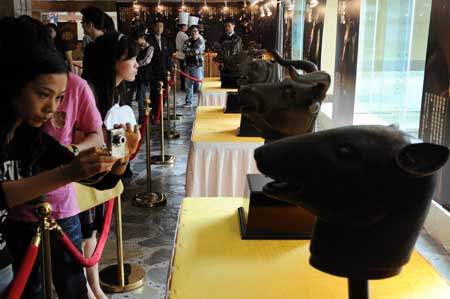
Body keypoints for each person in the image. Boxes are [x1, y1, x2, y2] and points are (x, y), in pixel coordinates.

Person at [0, 16, 139, 298]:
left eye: (59, 98)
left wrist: (120, 160)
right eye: (43, 95)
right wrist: (67, 174)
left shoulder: (32, 134)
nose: (51, 109)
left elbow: (84, 174)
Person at [81, 31, 139, 299]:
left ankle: (93, 285)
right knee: (84, 231)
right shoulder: (88, 92)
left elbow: (117, 147)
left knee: (93, 229)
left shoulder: (115, 92)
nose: (137, 64)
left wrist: (125, 149)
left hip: (104, 173)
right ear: (114, 61)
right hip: (84, 177)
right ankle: (87, 286)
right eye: (132, 58)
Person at [147, 20, 173, 123]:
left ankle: (160, 111)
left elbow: (168, 58)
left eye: (161, 27)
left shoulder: (165, 40)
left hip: (164, 72)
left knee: (164, 93)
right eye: (157, 26)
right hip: (154, 72)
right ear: (153, 27)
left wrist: (170, 71)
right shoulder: (149, 40)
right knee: (154, 93)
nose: (159, 29)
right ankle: (154, 114)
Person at [132, 30, 154, 124]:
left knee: (141, 97)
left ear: (142, 38)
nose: (136, 43)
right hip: (134, 75)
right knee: (134, 97)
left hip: (144, 76)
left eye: (137, 40)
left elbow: (146, 61)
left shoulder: (150, 48)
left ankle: (142, 119)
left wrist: (135, 64)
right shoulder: (136, 47)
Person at [214, 18, 242, 88]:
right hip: (224, 66)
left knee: (233, 87)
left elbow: (236, 51)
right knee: (224, 85)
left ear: (233, 26)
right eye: (225, 26)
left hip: (233, 66)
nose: (227, 28)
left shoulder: (237, 38)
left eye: (229, 26)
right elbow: (219, 51)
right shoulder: (222, 38)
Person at [80, 6, 106, 81]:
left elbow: (86, 74)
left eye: (82, 22)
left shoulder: (91, 48)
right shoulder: (113, 42)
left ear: (90, 25)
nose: (82, 25)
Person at [183, 25, 205, 107]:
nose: (194, 33)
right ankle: (188, 102)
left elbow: (197, 50)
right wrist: (192, 51)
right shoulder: (187, 41)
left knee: (199, 85)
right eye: (192, 31)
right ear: (190, 32)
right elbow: (184, 50)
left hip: (197, 66)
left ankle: (201, 102)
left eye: (196, 31)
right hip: (188, 65)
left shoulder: (200, 41)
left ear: (198, 32)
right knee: (188, 85)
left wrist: (191, 51)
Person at [175, 24, 189, 91]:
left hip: (180, 54)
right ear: (183, 27)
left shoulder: (178, 34)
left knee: (183, 71)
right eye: (186, 26)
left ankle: (183, 86)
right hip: (184, 55)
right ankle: (184, 86)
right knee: (185, 72)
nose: (187, 27)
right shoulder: (183, 35)